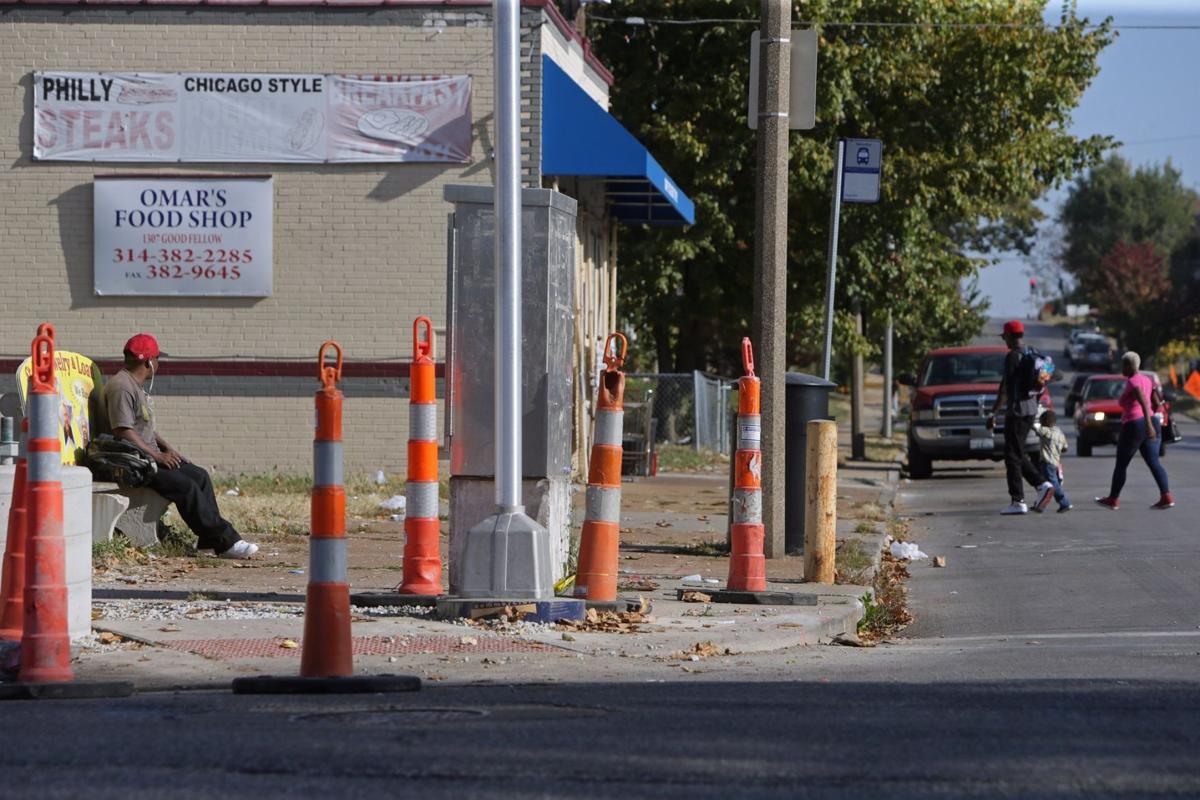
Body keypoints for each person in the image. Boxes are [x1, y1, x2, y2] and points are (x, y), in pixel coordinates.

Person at [103, 334, 259, 558]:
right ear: (148, 362)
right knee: (186, 487)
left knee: (199, 475)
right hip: (135, 464)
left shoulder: (134, 386)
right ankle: (226, 542)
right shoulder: (121, 387)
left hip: (148, 458)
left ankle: (207, 540)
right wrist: (156, 456)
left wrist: (168, 449)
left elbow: (145, 429)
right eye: (157, 359)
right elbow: (122, 430)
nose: (158, 364)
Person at [987, 320, 1054, 515]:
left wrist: (993, 412)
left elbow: (1005, 389)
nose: (1005, 341)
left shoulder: (1012, 357)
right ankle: (1038, 487)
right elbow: (1041, 384)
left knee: (1012, 455)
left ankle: (1022, 498)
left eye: (1005, 337)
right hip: (1030, 409)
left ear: (1009, 336)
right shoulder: (1032, 353)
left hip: (1016, 412)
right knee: (1016, 453)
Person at [1096, 352, 1174, 510]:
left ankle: (1113, 499)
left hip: (1136, 424)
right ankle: (1166, 496)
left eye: (1123, 365)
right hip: (1151, 421)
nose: (1121, 368)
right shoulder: (1148, 379)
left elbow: (1144, 403)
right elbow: (1155, 401)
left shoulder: (1133, 381)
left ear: (1129, 366)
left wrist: (1148, 425)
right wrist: (1154, 420)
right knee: (1154, 462)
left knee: (1121, 464)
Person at [1032, 409, 1071, 513]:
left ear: (1046, 422)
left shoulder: (1046, 430)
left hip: (1047, 463)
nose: (1041, 423)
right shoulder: (1060, 433)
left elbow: (1036, 429)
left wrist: (1029, 420)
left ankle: (1065, 503)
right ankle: (1039, 504)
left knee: (1052, 485)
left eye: (1041, 422)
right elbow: (1065, 448)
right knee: (1043, 484)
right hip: (1056, 463)